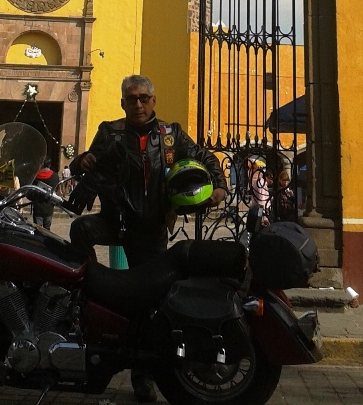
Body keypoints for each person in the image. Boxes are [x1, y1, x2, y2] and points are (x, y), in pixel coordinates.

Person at [69, 75, 226, 402]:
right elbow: (88, 164)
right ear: (123, 102)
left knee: (148, 304)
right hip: (115, 222)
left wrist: (220, 186)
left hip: (150, 231)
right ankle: (86, 297)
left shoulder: (171, 136)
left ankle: (144, 376)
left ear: (153, 101)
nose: (137, 104)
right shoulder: (110, 132)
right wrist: (80, 162)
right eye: (131, 99)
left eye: (143, 98)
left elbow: (207, 158)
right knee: (80, 230)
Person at [32, 156, 59, 230]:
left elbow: (32, 191)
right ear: (50, 165)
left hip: (38, 206)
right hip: (49, 206)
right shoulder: (55, 176)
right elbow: (56, 190)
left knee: (38, 229)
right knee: (47, 229)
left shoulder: (36, 176)